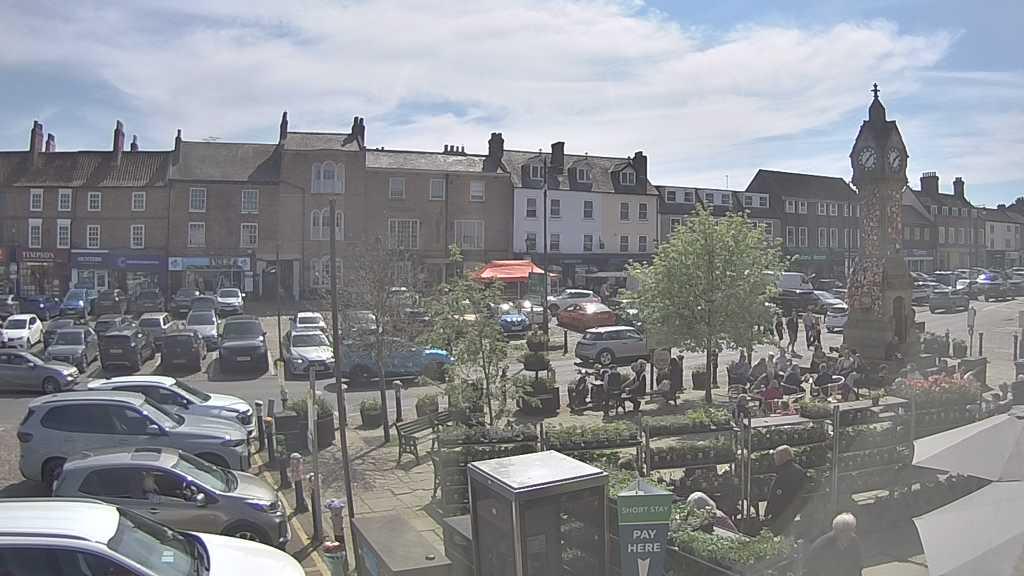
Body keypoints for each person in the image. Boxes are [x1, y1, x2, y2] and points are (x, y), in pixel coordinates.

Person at [765, 445, 806, 535]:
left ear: (784, 456)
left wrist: (770, 511)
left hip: (782, 513)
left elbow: (779, 495)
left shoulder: (786, 472)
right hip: (791, 511)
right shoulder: (797, 470)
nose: (775, 459)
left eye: (776, 456)